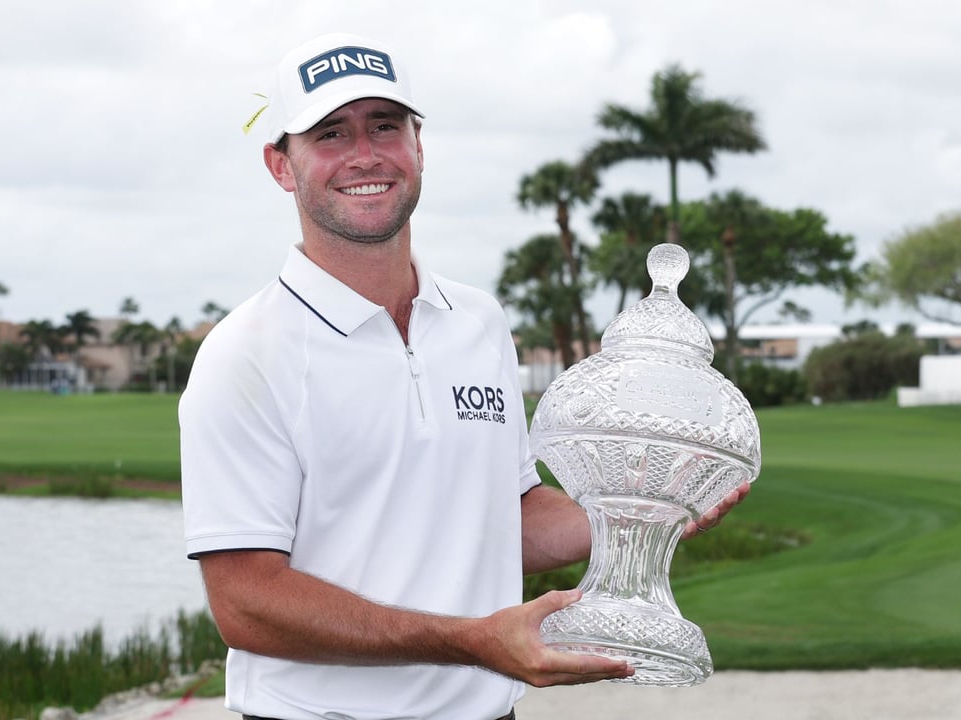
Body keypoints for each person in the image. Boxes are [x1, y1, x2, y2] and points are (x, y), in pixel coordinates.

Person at [179, 32, 748, 720]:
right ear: (281, 165)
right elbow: (245, 602)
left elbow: (505, 516)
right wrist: (472, 642)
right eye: (330, 133)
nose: (365, 154)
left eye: (385, 126)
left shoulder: (477, 322)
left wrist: (637, 515)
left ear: (417, 145)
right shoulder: (245, 352)